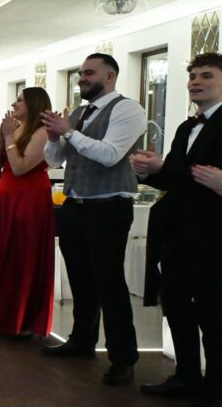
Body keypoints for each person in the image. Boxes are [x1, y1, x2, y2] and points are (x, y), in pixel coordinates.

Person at [40, 53, 146, 385]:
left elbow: (110, 155)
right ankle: (82, 340)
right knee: (80, 278)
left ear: (110, 76)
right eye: (81, 73)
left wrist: (69, 132)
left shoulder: (128, 109)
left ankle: (123, 357)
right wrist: (54, 138)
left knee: (109, 281)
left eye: (89, 73)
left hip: (108, 206)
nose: (82, 78)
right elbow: (55, 159)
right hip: (75, 204)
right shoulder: (79, 113)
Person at [131, 52, 222, 407]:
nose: (196, 82)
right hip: (177, 232)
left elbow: (204, 178)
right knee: (177, 307)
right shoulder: (186, 128)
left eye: (207, 76)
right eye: (193, 76)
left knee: (213, 315)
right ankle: (186, 376)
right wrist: (149, 172)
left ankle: (216, 392)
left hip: (213, 235)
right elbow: (177, 178)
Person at [0, 88, 55, 339]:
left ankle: (21, 318)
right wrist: (1, 142)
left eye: (20, 100)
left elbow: (20, 167)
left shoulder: (41, 132)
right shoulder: (13, 129)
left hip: (29, 198)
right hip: (6, 197)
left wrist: (8, 137)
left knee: (22, 254)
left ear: (34, 104)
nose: (14, 104)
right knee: (2, 251)